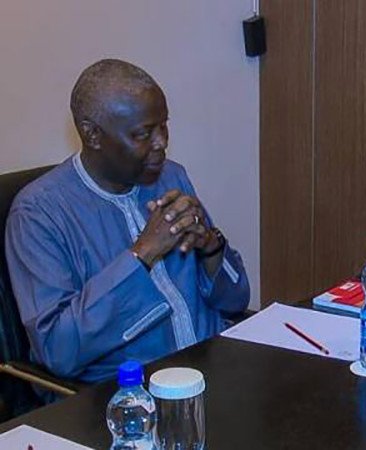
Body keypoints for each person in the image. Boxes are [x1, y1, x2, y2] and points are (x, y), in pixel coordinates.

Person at [5, 59, 250, 382]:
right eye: (143, 133)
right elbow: (58, 350)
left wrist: (210, 247)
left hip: (213, 368)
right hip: (129, 394)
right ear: (92, 134)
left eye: (163, 126)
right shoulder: (39, 214)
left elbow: (235, 301)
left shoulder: (171, 177)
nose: (161, 142)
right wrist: (142, 253)